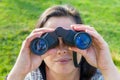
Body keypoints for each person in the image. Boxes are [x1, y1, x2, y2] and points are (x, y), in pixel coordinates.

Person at [7, 5, 120, 80]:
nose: (61, 50)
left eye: (71, 41)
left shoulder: (102, 76)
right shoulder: (34, 77)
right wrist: (19, 72)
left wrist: (107, 67)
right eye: (51, 43)